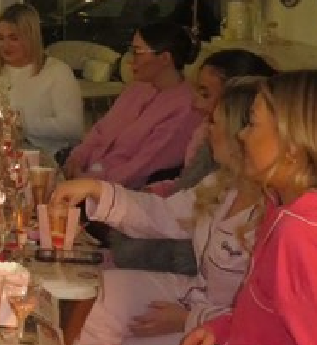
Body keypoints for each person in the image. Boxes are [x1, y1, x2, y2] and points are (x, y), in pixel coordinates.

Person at [71, 69, 317, 345]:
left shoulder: (305, 232)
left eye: (253, 125)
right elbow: (271, 314)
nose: (242, 134)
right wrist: (221, 329)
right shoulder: (282, 206)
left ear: (292, 145)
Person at [54, 77, 262, 345]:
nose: (206, 129)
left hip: (221, 332)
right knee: (103, 292)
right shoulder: (222, 185)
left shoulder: (272, 215)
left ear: (240, 134)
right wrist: (95, 189)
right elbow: (162, 215)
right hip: (195, 298)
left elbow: (266, 320)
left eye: (214, 122)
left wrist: (190, 318)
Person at [108, 49, 275, 276]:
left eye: (206, 94)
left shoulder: (275, 210)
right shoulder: (220, 178)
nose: (196, 103)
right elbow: (177, 206)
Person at [62, 22, 205, 189]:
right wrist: (76, 160)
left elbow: (141, 169)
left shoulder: (186, 108)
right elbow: (100, 130)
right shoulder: (138, 87)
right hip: (86, 178)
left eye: (137, 52)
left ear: (165, 58)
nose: (130, 60)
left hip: (119, 196)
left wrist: (90, 185)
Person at [0, 3, 83, 155]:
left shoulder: (57, 72)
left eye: (13, 38)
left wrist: (21, 124)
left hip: (46, 158)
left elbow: (73, 127)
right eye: (0, 38)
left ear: (31, 38)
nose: (5, 45)